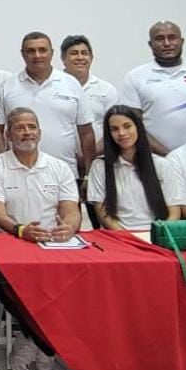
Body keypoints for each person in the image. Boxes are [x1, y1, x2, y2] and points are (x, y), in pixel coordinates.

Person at [0, 107, 79, 370]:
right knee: (12, 290)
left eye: (32, 127)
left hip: (53, 248)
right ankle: (44, 345)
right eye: (20, 128)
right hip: (11, 248)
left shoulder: (58, 167)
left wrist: (70, 227)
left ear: (40, 132)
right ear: (8, 134)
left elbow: (71, 210)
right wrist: (21, 230)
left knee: (80, 288)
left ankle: (35, 342)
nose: (27, 133)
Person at [0, 32, 95, 177]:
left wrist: (89, 174)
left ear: (52, 53)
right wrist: (3, 162)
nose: (37, 55)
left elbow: (86, 132)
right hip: (17, 173)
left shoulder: (71, 84)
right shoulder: (8, 85)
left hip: (65, 174)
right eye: (31, 51)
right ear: (22, 54)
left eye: (43, 50)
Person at [117, 21, 186, 154]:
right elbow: (133, 125)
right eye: (159, 39)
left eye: (172, 37)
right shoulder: (135, 77)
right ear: (150, 44)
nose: (167, 43)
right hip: (156, 158)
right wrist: (168, 156)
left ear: (182, 41)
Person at [88, 105, 186, 230]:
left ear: (138, 127)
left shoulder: (162, 164)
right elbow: (102, 213)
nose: (121, 133)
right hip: (119, 235)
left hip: (157, 233)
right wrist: (127, 237)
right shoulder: (99, 166)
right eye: (114, 129)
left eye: (127, 126)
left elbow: (174, 212)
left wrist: (159, 234)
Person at [60, 34, 116, 231]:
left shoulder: (106, 89)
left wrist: (89, 156)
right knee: (68, 220)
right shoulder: (56, 85)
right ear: (63, 58)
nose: (80, 57)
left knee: (100, 218)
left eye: (84, 53)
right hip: (65, 165)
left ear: (91, 57)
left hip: (98, 163)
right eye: (74, 53)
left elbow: (112, 127)